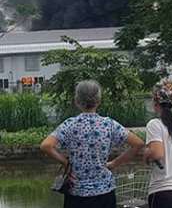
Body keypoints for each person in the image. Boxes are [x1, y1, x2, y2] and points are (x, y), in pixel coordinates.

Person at [40, 80, 144, 208]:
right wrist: (114, 164)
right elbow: (138, 144)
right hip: (104, 192)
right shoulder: (109, 124)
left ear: (77, 100)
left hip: (76, 192)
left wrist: (66, 163)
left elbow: (46, 146)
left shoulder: (69, 125)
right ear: (98, 100)